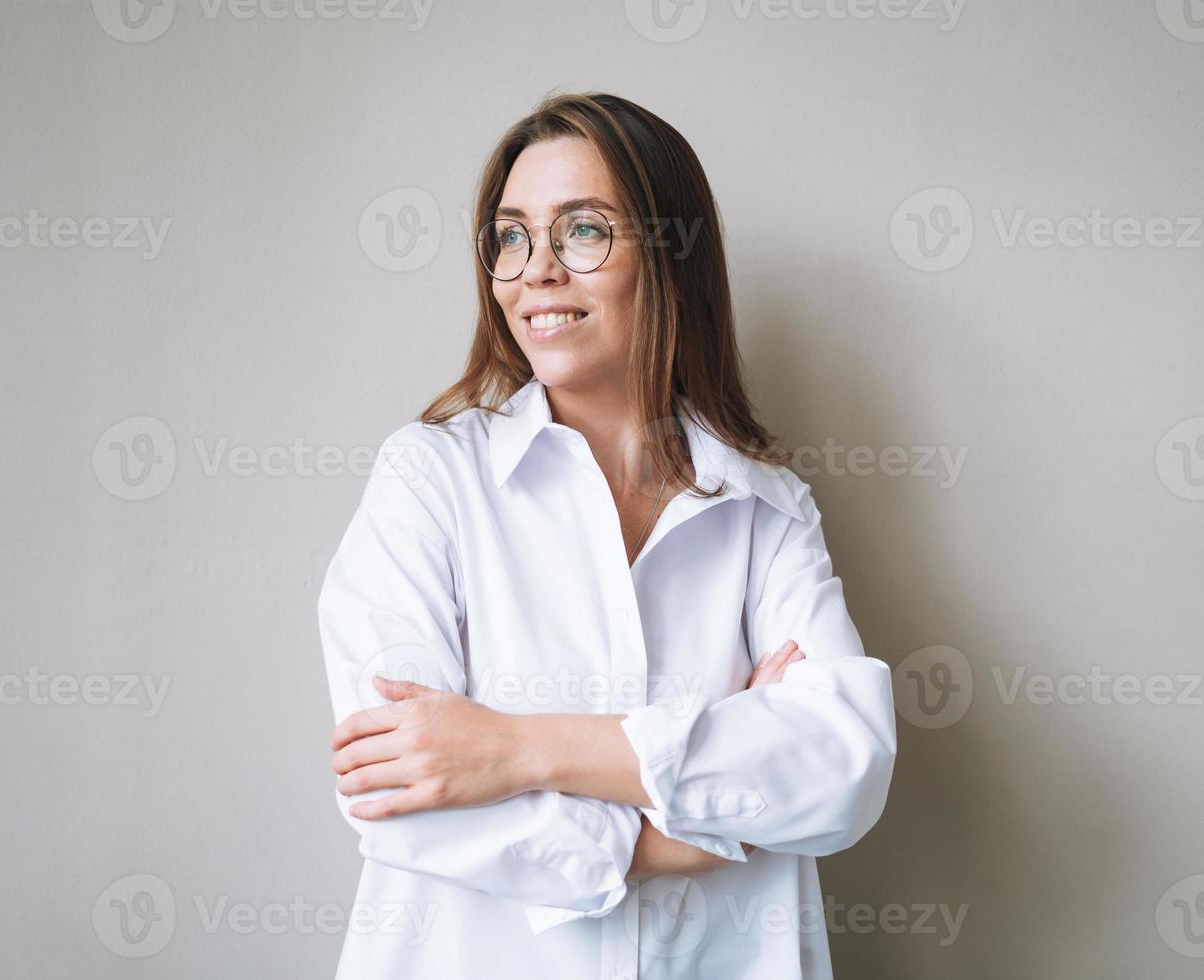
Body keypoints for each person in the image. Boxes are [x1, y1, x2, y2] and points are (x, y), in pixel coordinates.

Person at [318, 91, 897, 980]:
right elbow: (395, 786)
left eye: (582, 230)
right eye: (511, 236)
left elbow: (842, 770)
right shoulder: (427, 480)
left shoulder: (768, 509)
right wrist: (691, 830)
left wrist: (515, 750)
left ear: (670, 256)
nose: (536, 269)